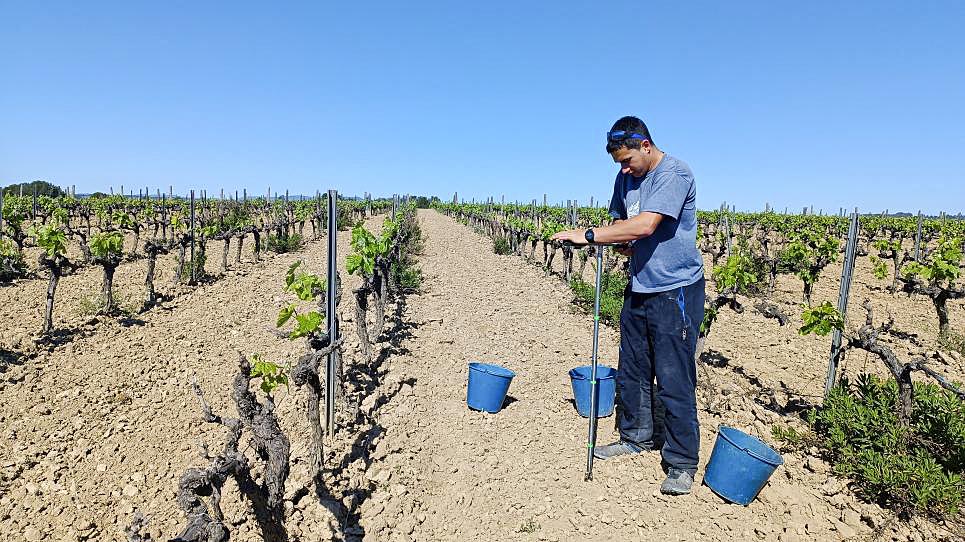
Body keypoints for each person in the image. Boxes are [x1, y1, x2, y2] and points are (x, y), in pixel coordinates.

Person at [551, 115, 705, 495]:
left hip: (676, 289)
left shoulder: (675, 173)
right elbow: (622, 219)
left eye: (627, 160)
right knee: (633, 367)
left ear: (646, 146)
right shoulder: (625, 177)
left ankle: (681, 462)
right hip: (640, 285)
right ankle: (635, 436)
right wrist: (616, 239)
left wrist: (588, 236)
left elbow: (645, 225)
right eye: (618, 163)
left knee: (673, 376)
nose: (623, 169)